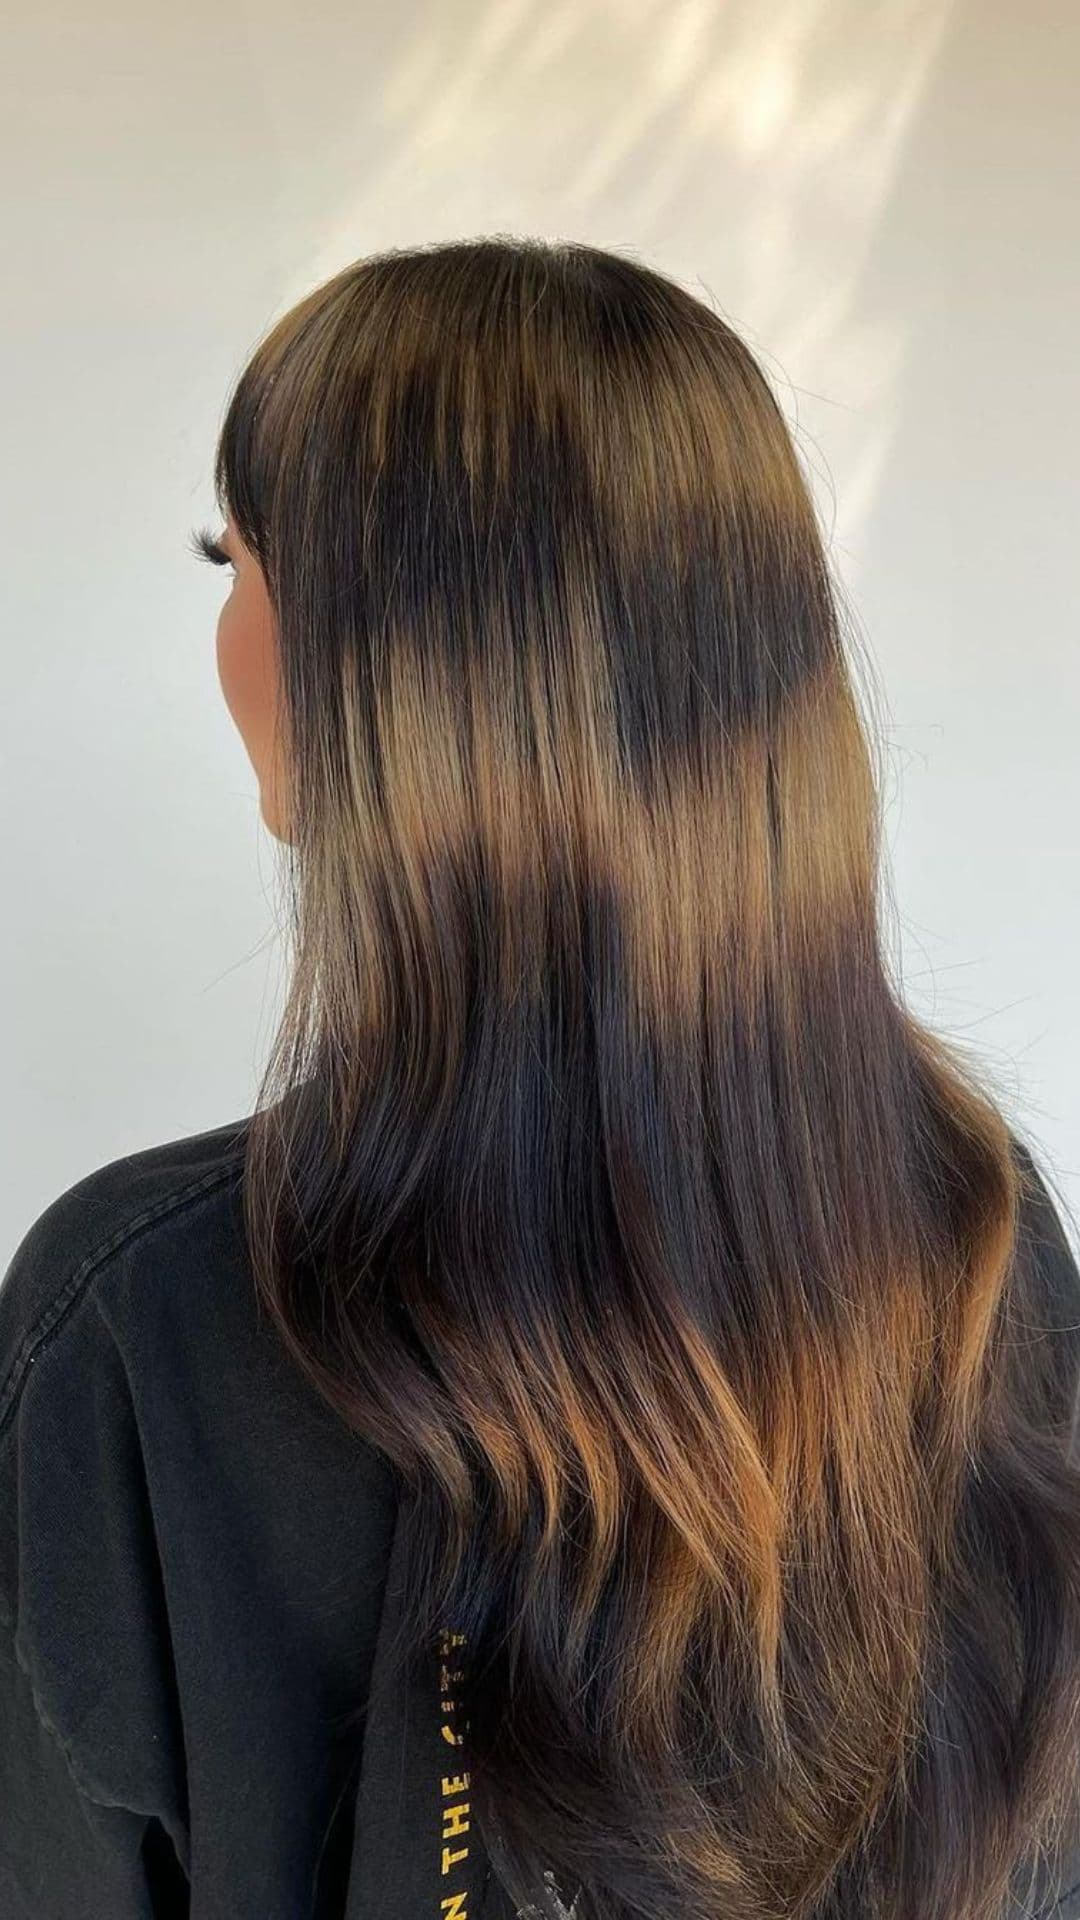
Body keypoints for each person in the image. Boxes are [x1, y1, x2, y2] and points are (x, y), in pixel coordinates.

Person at [2, 236, 1080, 1920]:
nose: (228, 616)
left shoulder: (144, 1324)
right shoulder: (973, 1229)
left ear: (385, 670)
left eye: (239, 553)